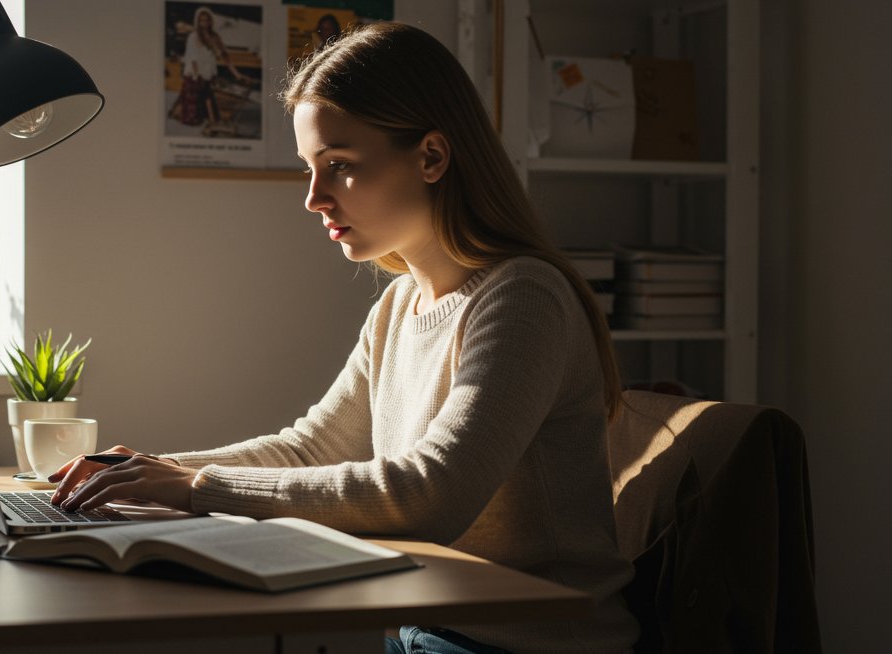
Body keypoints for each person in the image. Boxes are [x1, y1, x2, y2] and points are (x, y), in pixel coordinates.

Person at [53, 21, 638, 654]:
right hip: (423, 630)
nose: (313, 198)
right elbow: (311, 450)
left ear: (432, 157)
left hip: (529, 645)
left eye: (340, 166)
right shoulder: (400, 303)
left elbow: (428, 494)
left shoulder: (524, 296)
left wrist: (194, 489)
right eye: (311, 167)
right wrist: (147, 471)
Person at [172, 6, 243, 133]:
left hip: (208, 71)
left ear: (211, 21)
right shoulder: (193, 36)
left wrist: (236, 74)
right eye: (201, 20)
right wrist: (196, 75)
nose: (204, 23)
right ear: (197, 21)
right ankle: (210, 120)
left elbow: (225, 55)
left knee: (208, 94)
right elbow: (192, 57)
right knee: (200, 97)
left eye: (207, 20)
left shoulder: (215, 37)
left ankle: (212, 120)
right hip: (195, 72)